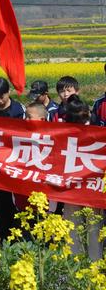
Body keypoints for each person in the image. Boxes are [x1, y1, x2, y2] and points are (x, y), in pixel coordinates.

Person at [0, 77, 25, 241]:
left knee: (17, 204)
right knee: (1, 204)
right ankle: (4, 237)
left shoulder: (19, 111)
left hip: (16, 165)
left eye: (2, 96)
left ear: (8, 92)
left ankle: (19, 239)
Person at [62, 95, 102, 261]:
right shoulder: (61, 132)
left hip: (92, 188)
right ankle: (74, 266)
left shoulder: (99, 129)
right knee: (73, 228)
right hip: (72, 188)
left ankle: (95, 267)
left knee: (94, 229)